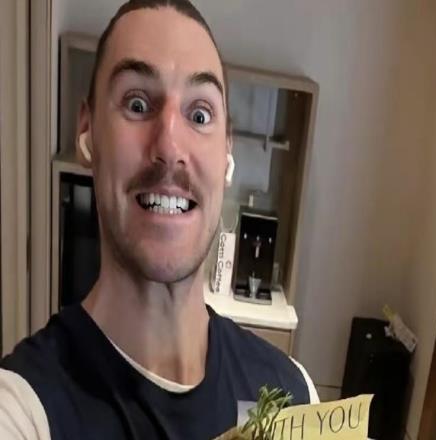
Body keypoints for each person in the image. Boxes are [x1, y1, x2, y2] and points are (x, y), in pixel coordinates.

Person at [0, 1, 318, 438]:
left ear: (227, 152)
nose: (169, 146)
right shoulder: (24, 409)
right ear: (88, 132)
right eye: (136, 104)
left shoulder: (294, 394)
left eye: (200, 115)